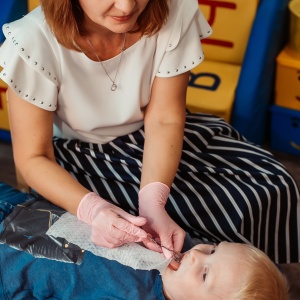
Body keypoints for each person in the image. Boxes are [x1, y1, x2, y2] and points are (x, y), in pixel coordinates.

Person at [0, 0, 299, 265]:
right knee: (175, 227)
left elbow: (165, 119)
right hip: (76, 155)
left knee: (274, 185)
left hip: (157, 134)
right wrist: (95, 210)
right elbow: (33, 157)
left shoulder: (174, 9)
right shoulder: (32, 41)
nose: (128, 7)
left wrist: (153, 199)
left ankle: (261, 278)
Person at [0, 183, 289, 300]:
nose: (197, 254)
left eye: (204, 273)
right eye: (214, 249)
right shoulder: (181, 245)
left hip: (9, 266)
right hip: (23, 207)